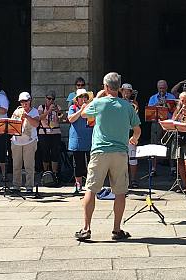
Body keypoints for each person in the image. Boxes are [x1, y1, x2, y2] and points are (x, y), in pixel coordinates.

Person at [75, 72, 141, 241]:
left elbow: (84, 114)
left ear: (105, 87)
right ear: (119, 88)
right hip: (119, 152)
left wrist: (98, 96)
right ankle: (117, 229)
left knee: (91, 189)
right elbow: (137, 129)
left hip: (100, 151)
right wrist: (133, 139)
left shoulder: (99, 103)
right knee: (120, 192)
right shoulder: (127, 106)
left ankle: (86, 229)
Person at [10, 92, 40, 192]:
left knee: (29, 165)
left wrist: (27, 117)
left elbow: (36, 124)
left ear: (30, 101)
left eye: (26, 101)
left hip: (29, 141)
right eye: (22, 101)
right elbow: (12, 125)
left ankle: (29, 186)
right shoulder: (16, 111)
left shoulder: (34, 111)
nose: (24, 103)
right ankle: (16, 185)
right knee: (16, 165)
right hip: (17, 141)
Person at [147, 80, 176, 176]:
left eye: (163, 88)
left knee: (170, 145)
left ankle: (173, 168)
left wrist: (167, 105)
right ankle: (153, 169)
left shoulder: (171, 97)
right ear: (157, 88)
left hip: (168, 122)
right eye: (160, 88)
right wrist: (158, 104)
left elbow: (175, 111)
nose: (162, 90)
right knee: (154, 145)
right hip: (157, 123)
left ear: (166, 88)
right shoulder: (153, 98)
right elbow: (149, 112)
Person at [67, 90, 94, 193]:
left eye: (85, 97)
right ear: (77, 99)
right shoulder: (73, 108)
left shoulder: (91, 107)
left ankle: (90, 183)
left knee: (91, 163)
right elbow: (71, 119)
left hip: (89, 139)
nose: (83, 99)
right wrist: (81, 110)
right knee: (78, 163)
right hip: (77, 140)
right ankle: (78, 183)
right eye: (81, 97)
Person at [37, 92, 63, 181]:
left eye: (52, 99)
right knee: (45, 153)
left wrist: (58, 111)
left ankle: (54, 174)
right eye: (49, 98)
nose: (50, 100)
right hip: (44, 133)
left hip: (55, 132)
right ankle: (46, 173)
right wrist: (48, 111)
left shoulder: (57, 107)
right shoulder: (41, 107)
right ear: (45, 98)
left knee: (55, 153)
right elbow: (40, 118)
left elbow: (62, 118)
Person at [121, 83, 140, 187]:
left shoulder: (134, 103)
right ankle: (123, 179)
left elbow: (136, 118)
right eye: (124, 91)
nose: (126, 94)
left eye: (128, 92)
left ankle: (133, 180)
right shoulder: (118, 102)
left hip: (131, 131)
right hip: (120, 132)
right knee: (121, 158)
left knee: (132, 157)